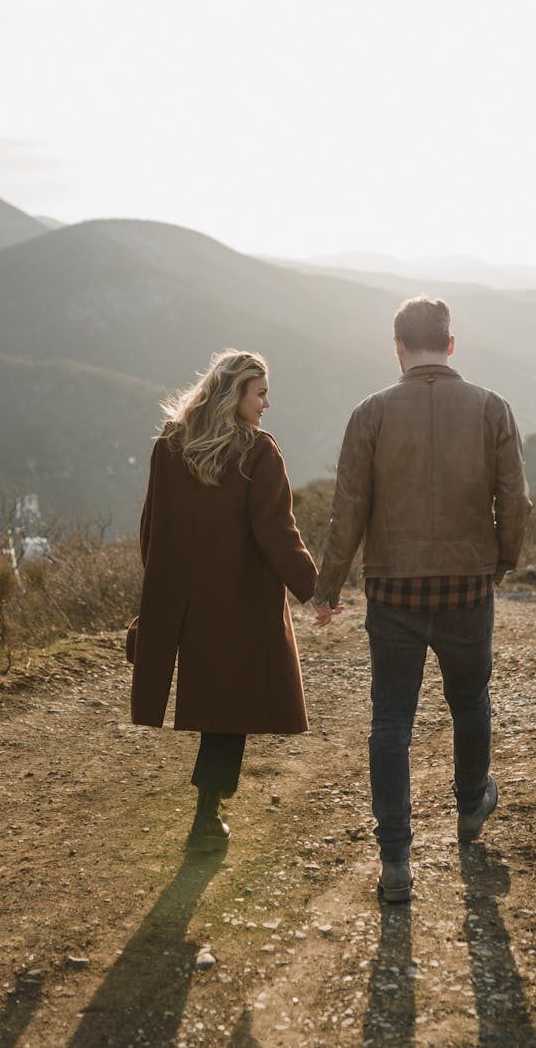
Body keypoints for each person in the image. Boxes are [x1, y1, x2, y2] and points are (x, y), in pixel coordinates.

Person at [312, 297, 531, 902]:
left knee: (391, 720)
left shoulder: (371, 413)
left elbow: (347, 511)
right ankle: (469, 807)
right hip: (467, 586)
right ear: (451, 344)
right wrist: (502, 560)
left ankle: (396, 861)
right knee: (469, 699)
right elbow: (514, 501)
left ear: (399, 349)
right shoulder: (492, 408)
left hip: (392, 591)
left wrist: (327, 589)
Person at [131, 349, 318, 851]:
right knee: (227, 713)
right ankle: (205, 819)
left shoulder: (169, 445)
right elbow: (278, 531)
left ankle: (207, 819)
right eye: (259, 394)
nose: (266, 404)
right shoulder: (258, 451)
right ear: (234, 394)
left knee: (218, 709)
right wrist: (314, 589)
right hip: (239, 603)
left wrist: (162, 591)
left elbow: (152, 528)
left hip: (186, 599)